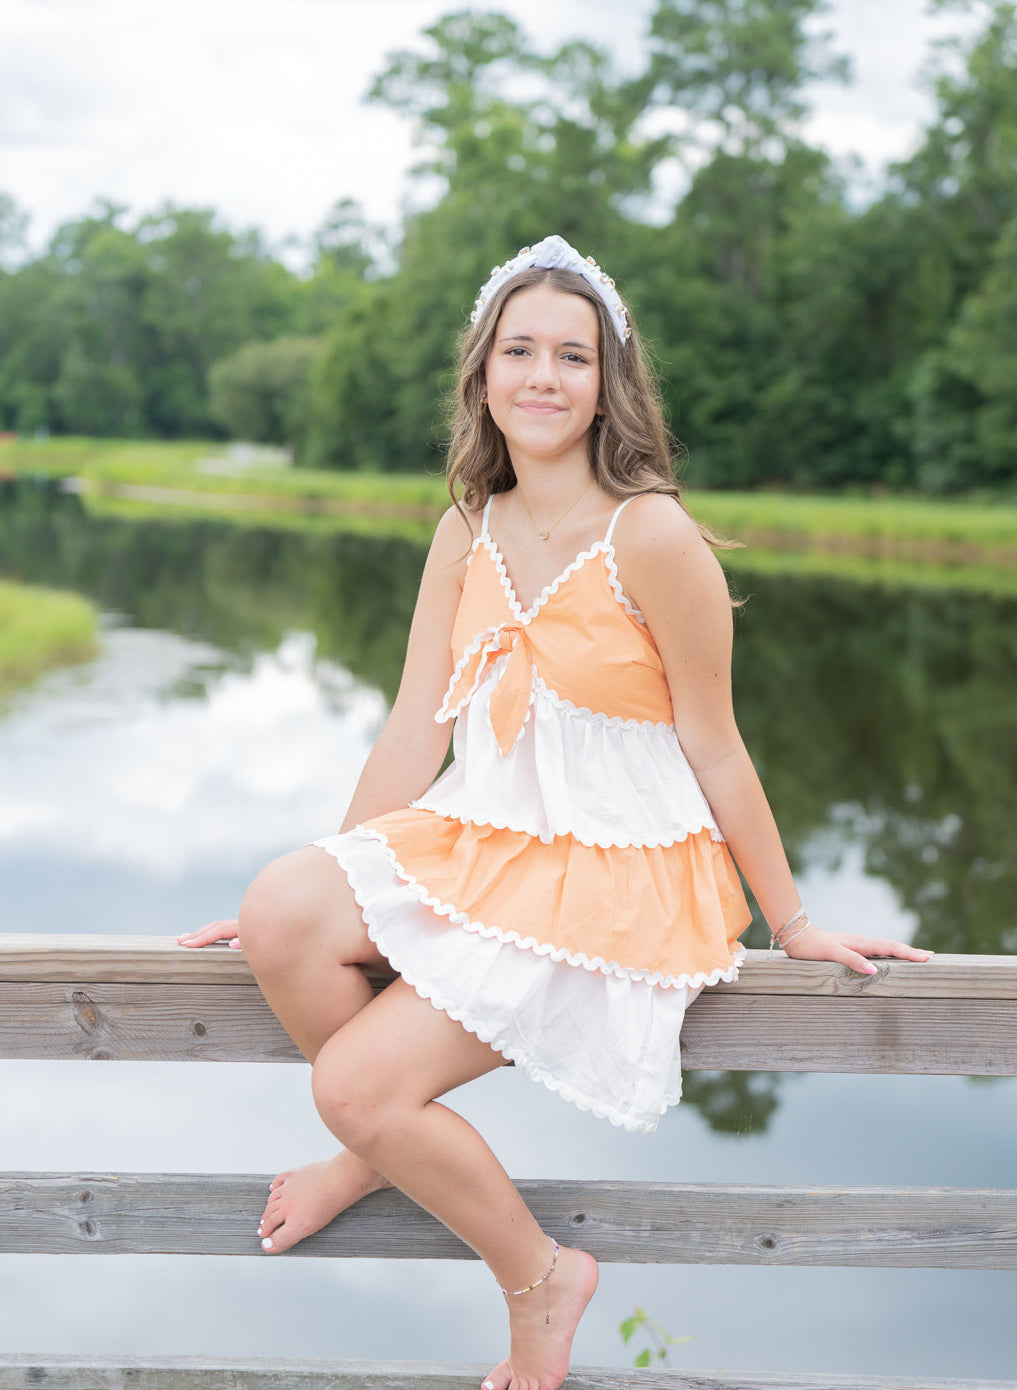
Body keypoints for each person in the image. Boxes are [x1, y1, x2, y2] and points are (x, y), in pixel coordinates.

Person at [178, 234, 932, 1390]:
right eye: (519, 350)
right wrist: (341, 871)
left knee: (353, 1081)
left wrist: (790, 919)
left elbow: (716, 744)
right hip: (487, 838)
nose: (542, 375)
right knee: (279, 906)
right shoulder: (465, 527)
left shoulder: (652, 534)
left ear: (606, 383)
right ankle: (382, 1143)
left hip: (621, 871)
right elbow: (413, 729)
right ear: (483, 372)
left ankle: (535, 1274)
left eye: (571, 357)